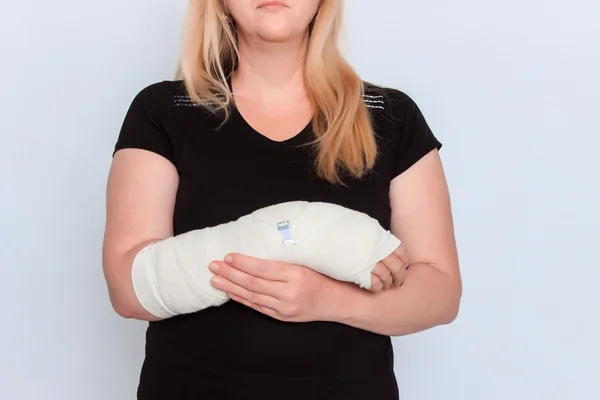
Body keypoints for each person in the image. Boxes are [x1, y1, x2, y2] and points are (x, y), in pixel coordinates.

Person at [102, 0, 462, 398]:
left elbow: (441, 292)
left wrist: (326, 299)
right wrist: (292, 238)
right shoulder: (162, 111)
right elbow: (129, 290)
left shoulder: (391, 116)